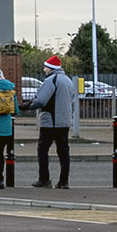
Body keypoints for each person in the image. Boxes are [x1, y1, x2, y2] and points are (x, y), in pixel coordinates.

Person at [27, 54, 78, 188]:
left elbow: (41, 100)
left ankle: (44, 179)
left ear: (50, 68)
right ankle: (64, 181)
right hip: (64, 121)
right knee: (63, 152)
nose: (44, 70)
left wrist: (27, 106)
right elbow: (72, 103)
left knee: (43, 150)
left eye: (45, 67)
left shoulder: (51, 80)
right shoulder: (68, 81)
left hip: (50, 122)